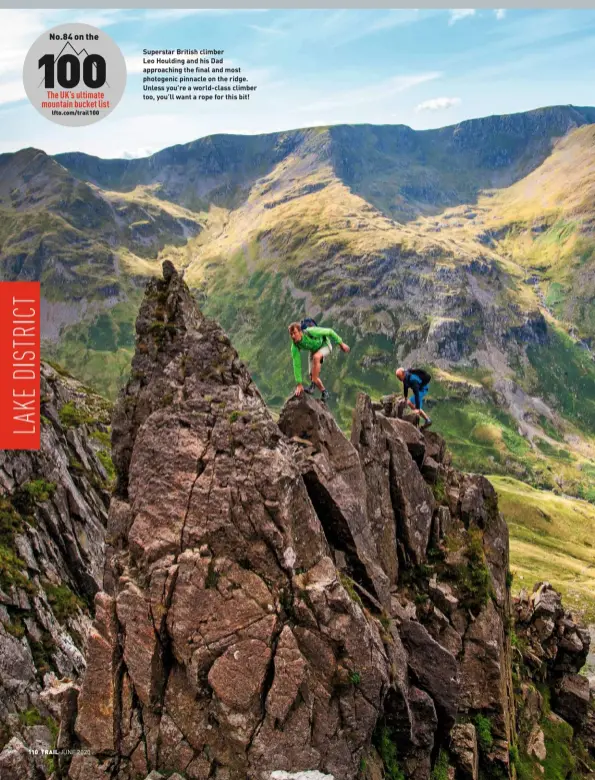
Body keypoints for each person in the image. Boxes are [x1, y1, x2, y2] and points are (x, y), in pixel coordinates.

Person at [289, 321, 350, 401]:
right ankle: (324, 392)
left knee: (316, 357)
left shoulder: (311, 331)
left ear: (300, 332)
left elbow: (330, 332)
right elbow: (296, 365)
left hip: (325, 345)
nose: (293, 336)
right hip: (314, 349)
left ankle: (312, 386)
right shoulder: (295, 346)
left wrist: (341, 344)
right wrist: (299, 384)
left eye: (294, 333)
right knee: (312, 375)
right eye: (291, 334)